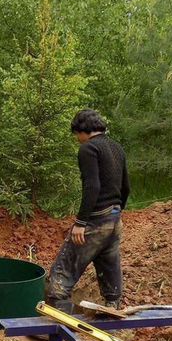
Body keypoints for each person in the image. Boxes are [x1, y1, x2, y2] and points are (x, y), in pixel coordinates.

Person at [47, 109, 130, 313]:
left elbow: (92, 186)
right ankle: (113, 308)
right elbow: (126, 187)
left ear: (82, 130)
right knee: (109, 265)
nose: (77, 139)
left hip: (96, 220)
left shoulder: (89, 149)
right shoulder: (116, 147)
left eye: (76, 134)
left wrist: (81, 222)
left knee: (62, 273)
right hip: (115, 218)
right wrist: (116, 212)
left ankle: (58, 322)